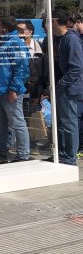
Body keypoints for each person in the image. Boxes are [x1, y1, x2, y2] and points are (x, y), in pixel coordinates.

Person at [0, 16, 31, 164]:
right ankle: (2, 152)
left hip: (9, 91)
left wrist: (14, 89)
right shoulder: (2, 42)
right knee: (0, 124)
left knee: (17, 123)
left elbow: (21, 69)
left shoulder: (15, 43)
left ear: (3, 28)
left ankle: (23, 154)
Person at [50, 10, 83, 165]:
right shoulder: (60, 39)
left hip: (69, 89)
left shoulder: (71, 39)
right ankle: (63, 154)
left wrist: (61, 84)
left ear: (55, 21)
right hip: (64, 87)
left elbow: (76, 67)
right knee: (63, 123)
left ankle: (69, 157)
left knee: (69, 123)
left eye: (48, 21)